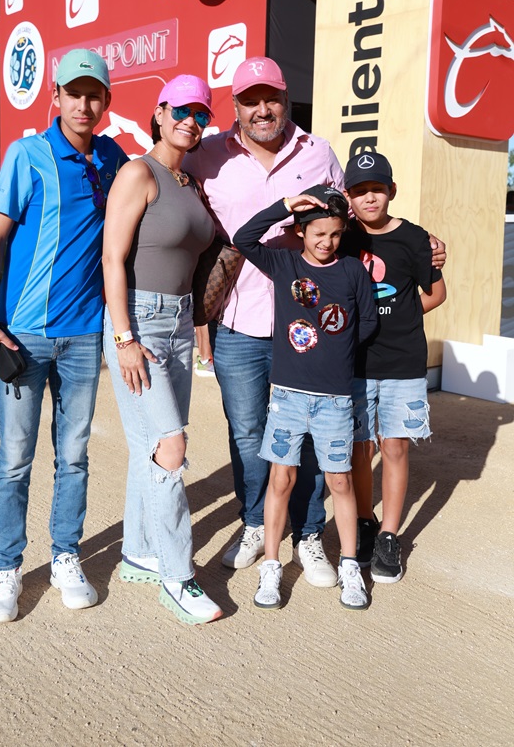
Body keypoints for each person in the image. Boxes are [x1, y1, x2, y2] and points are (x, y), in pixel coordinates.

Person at [0, 48, 128, 624]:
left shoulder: (113, 158)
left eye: (94, 94)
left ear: (106, 101)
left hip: (84, 336)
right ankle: (7, 567)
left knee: (74, 456)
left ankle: (65, 555)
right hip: (24, 335)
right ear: (55, 96)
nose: (84, 104)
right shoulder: (28, 155)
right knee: (15, 458)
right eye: (74, 93)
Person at [183, 58, 346, 588]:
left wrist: (415, 245)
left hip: (307, 323)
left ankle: (309, 531)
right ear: (234, 107)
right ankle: (255, 522)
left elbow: (348, 225)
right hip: (236, 322)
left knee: (308, 431)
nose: (262, 110)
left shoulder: (318, 152)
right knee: (248, 430)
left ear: (286, 97)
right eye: (250, 101)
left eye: (270, 98)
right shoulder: (207, 154)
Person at [102, 74, 223, 626]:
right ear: (158, 112)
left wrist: (199, 326)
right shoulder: (138, 172)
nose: (191, 121)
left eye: (201, 113)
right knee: (170, 446)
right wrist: (124, 338)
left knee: (147, 446)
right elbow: (112, 259)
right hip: (140, 324)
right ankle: (178, 575)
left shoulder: (190, 182)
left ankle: (138, 550)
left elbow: (200, 263)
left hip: (178, 323)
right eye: (182, 110)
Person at [234, 186, 377, 609]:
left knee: (340, 481)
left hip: (335, 399)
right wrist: (284, 206)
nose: (326, 242)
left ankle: (349, 567)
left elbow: (367, 322)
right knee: (281, 479)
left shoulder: (353, 271)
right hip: (288, 397)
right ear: (300, 231)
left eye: (335, 234)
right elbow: (243, 238)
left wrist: (335, 352)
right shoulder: (284, 264)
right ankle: (271, 566)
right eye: (318, 234)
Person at [341, 152, 447, 583]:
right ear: (348, 197)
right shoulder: (342, 236)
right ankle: (365, 521)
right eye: (360, 191)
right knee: (360, 448)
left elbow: (435, 294)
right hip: (355, 363)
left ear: (392, 191)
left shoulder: (415, 238)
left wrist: (399, 316)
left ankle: (389, 535)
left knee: (395, 447)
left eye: (377, 189)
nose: (370, 198)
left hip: (403, 363)